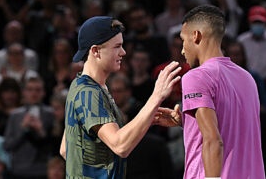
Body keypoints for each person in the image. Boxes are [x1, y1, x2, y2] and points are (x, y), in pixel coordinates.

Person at [60, 16, 181, 178]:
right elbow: (121, 146)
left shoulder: (82, 85)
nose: (123, 52)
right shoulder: (88, 93)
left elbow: (66, 148)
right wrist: (156, 96)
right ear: (95, 51)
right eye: (117, 47)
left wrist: (148, 118)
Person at [153, 5, 265, 178]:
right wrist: (187, 121)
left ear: (196, 36)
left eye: (183, 40)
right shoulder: (247, 78)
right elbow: (234, 130)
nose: (182, 50)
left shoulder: (195, 76)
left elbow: (213, 140)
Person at [4, 77, 54, 179]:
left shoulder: (51, 114)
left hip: (42, 170)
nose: (34, 93)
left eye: (37, 90)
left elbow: (54, 147)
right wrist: (23, 128)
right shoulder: (15, 115)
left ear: (43, 93)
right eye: (30, 89)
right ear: (24, 92)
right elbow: (7, 146)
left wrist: (41, 131)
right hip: (19, 171)